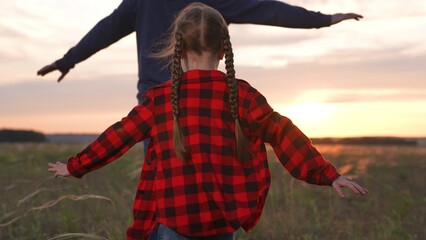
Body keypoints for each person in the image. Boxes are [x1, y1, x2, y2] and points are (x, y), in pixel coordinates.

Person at [48, 3, 368, 240]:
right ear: (222, 50)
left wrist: (76, 166)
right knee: (211, 175)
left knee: (170, 182)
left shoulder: (157, 101)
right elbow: (285, 133)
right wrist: (328, 174)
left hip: (165, 122)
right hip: (221, 221)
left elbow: (118, 135)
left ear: (177, 49)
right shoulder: (243, 94)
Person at [37, 0, 362, 104]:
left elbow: (266, 9)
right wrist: (70, 59)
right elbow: (107, 30)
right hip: (172, 99)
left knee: (167, 186)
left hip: (177, 98)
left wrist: (323, 20)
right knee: (185, 185)